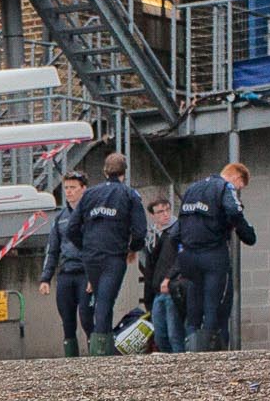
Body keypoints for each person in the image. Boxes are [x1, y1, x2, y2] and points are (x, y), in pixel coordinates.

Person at [66, 153, 148, 356]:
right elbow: (140, 231)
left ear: (105, 171)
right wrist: (132, 249)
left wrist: (85, 247)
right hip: (113, 256)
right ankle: (101, 352)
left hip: (91, 256)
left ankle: (103, 348)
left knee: (101, 301)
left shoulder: (90, 195)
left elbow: (72, 228)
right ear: (124, 172)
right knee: (105, 302)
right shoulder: (130, 195)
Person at [178, 162, 255, 352]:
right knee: (214, 304)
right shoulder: (224, 187)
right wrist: (248, 235)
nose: (238, 191)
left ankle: (192, 351)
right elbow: (234, 211)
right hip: (213, 254)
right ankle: (211, 354)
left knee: (194, 306)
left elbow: (176, 229)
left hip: (188, 255)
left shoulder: (191, 189)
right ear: (237, 177)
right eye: (240, 188)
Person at [40, 173, 94, 357]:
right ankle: (71, 362)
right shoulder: (60, 217)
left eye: (73, 188)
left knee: (87, 318)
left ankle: (97, 360)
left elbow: (97, 246)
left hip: (86, 274)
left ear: (83, 189)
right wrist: (45, 278)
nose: (69, 192)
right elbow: (52, 249)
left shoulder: (91, 214)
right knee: (67, 320)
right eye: (66, 188)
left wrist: (94, 275)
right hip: (66, 273)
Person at [138, 195, 185, 354]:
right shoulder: (151, 237)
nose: (165, 214)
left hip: (172, 289)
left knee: (175, 335)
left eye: (167, 210)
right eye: (160, 212)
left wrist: (169, 279)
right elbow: (149, 269)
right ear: (152, 215)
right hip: (157, 291)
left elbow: (180, 259)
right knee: (160, 337)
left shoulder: (177, 231)